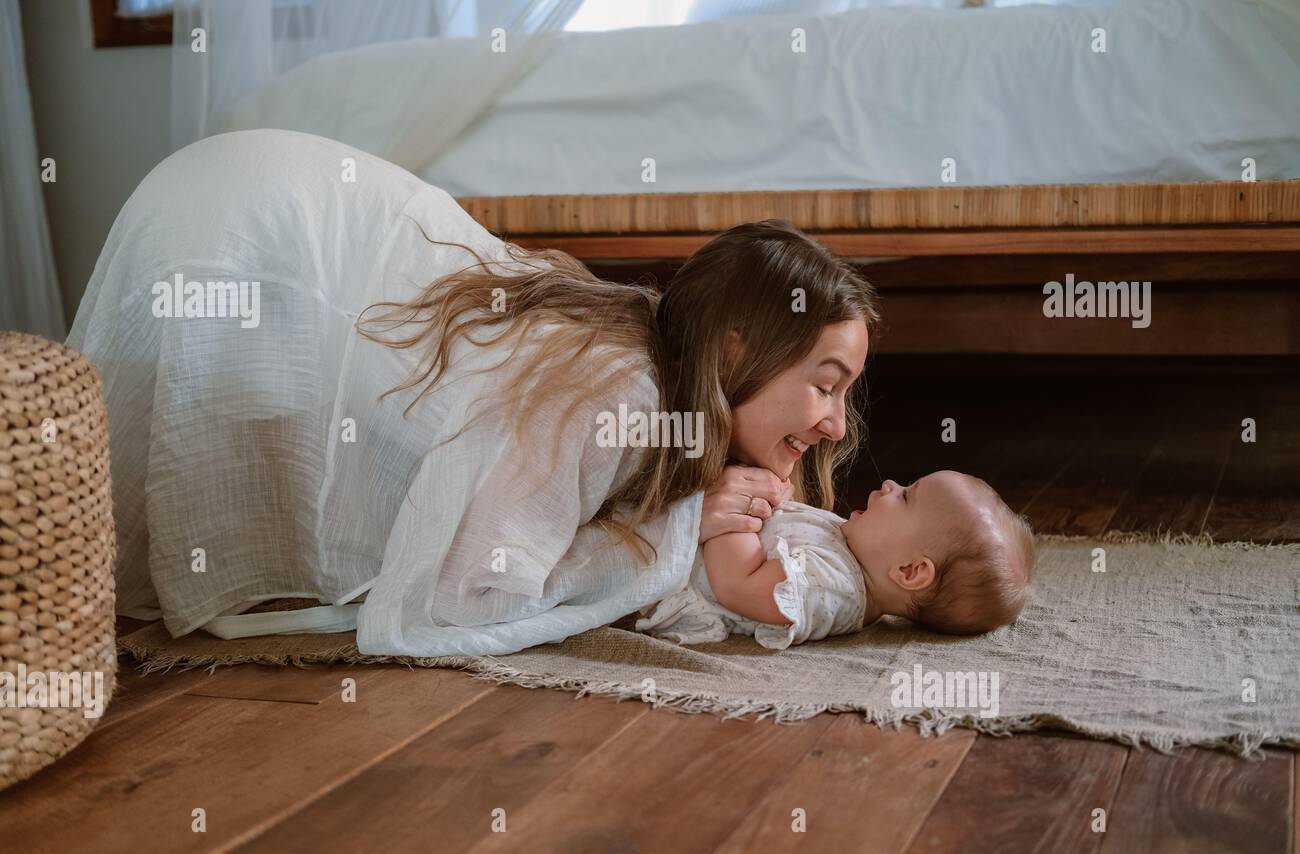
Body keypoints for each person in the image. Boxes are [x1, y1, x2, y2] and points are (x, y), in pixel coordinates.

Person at [66, 129, 878, 657]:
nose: (837, 423)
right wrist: (676, 528)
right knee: (71, 539)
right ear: (738, 350)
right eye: (826, 385)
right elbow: (460, 592)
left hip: (266, 192)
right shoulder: (618, 393)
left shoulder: (650, 358)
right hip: (246, 235)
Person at [638, 471, 1037, 650]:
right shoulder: (849, 542)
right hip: (675, 533)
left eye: (907, 496)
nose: (890, 485)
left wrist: (742, 512)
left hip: (649, 578)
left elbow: (738, 584)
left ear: (910, 571)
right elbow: (788, 530)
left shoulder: (835, 590)